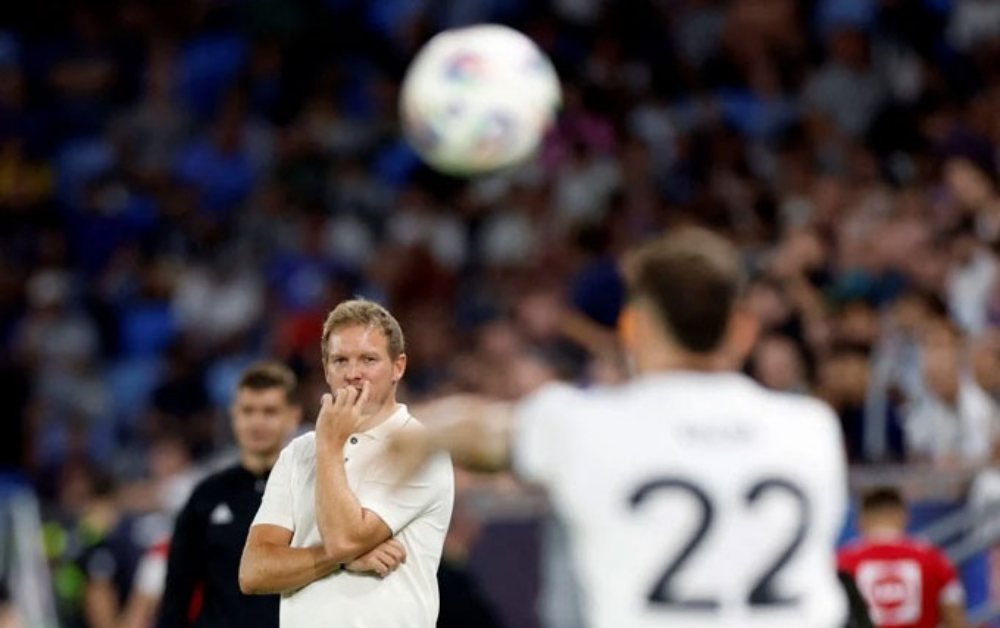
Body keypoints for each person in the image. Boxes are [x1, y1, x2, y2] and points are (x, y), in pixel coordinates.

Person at [389, 226, 849, 627]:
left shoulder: (583, 425)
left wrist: (395, 440)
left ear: (633, 329)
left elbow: (475, 430)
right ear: (744, 329)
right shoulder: (813, 428)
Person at [239, 299, 454, 627]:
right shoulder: (298, 453)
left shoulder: (419, 450)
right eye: (340, 360)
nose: (353, 374)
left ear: (398, 367)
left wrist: (329, 444)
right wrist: (338, 559)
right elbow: (254, 571)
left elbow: (344, 540)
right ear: (326, 369)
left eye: (369, 359)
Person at [156, 361, 302, 628]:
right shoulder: (206, 496)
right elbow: (176, 593)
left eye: (269, 412)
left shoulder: (310, 491)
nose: (257, 422)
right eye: (248, 411)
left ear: (293, 416)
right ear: (234, 415)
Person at [837, 487, 968, 628]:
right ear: (904, 516)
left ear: (861, 519)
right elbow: (955, 619)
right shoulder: (934, 559)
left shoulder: (842, 562)